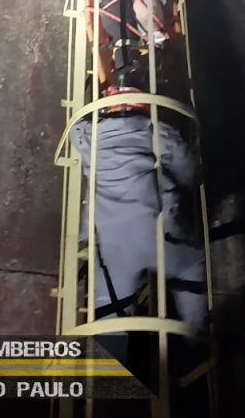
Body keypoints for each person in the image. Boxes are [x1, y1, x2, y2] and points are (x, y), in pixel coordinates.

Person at [70, 109, 207, 339]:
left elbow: (74, 131)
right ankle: (196, 336)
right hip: (157, 235)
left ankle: (109, 355)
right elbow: (189, 172)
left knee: (109, 305)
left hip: (112, 244)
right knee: (190, 267)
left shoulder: (89, 135)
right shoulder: (157, 131)